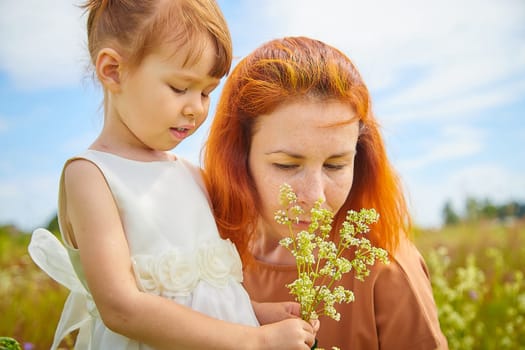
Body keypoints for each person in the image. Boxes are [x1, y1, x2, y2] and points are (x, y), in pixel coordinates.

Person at [27, 2, 318, 349]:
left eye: (207, 92)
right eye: (180, 88)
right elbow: (121, 308)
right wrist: (256, 342)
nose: (195, 107)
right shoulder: (92, 175)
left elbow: (203, 293)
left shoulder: (193, 175)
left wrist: (254, 313)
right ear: (113, 71)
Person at [203, 36, 449, 349]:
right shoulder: (206, 254)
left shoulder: (386, 267)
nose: (316, 196)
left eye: (335, 166)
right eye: (287, 165)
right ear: (239, 157)